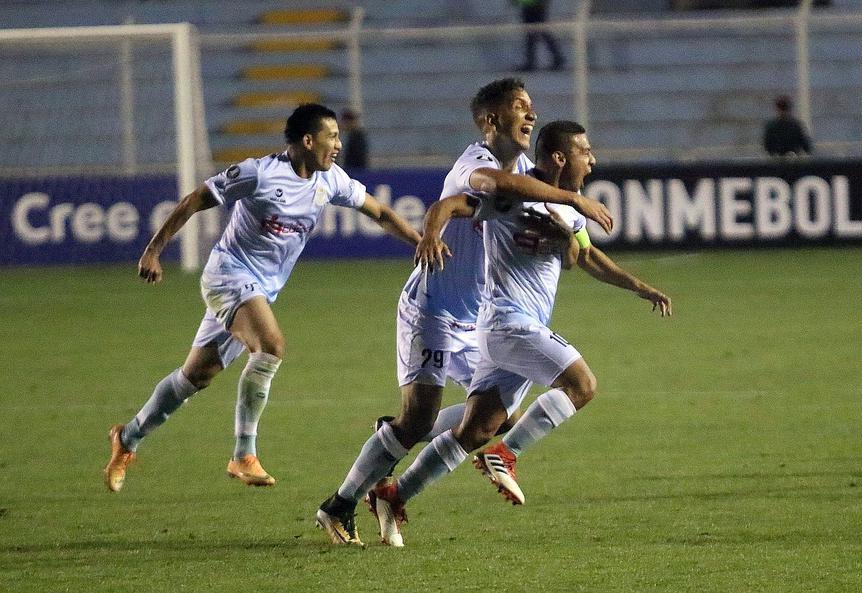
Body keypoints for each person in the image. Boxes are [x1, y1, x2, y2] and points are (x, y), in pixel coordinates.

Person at [314, 78, 613, 546]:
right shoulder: (477, 163)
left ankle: (391, 451)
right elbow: (492, 188)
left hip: (479, 318)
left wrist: (568, 230)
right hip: (432, 308)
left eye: (532, 107)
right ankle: (340, 504)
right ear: (491, 120)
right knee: (417, 419)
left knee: (495, 420)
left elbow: (551, 204)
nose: (530, 115)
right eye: (519, 107)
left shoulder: (529, 172)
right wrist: (574, 199)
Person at [367, 120, 672, 545]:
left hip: (517, 327)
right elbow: (451, 205)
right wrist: (431, 236)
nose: (594, 159)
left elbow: (583, 256)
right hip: (506, 322)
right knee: (582, 385)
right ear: (561, 157)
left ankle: (394, 496)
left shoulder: (566, 207)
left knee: (477, 428)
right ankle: (505, 457)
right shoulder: (515, 193)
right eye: (586, 151)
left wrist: (640, 287)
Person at [103, 103, 421, 493]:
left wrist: (421, 244)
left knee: (194, 377)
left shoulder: (331, 180)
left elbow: (381, 213)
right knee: (271, 347)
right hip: (228, 275)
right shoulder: (259, 173)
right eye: (332, 136)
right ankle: (243, 454)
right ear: (308, 140)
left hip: (261, 289)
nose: (338, 144)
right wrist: (153, 250)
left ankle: (127, 438)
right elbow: (194, 200)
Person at [514, 0, 565, 72]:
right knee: (537, 32)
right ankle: (557, 58)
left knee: (535, 32)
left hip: (534, 5)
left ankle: (531, 61)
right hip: (532, 4)